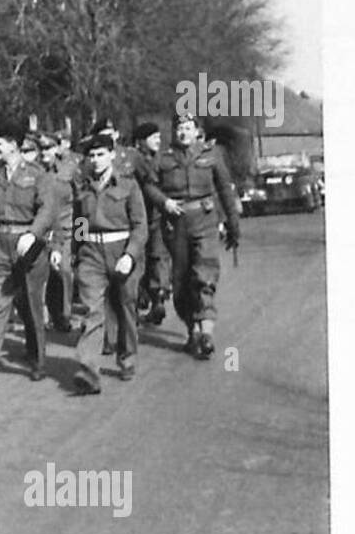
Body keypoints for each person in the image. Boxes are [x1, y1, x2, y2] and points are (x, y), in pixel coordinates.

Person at [143, 111, 241, 359]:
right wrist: (163, 202)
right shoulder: (163, 160)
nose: (183, 132)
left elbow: (225, 190)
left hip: (205, 222)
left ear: (197, 130)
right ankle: (192, 330)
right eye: (179, 128)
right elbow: (149, 185)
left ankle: (206, 331)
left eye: (188, 127)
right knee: (182, 280)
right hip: (176, 226)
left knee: (204, 274)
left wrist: (233, 223)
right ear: (173, 132)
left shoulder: (211, 155)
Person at [0, 120, 58, 391]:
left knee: (32, 305)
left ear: (13, 144)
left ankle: (37, 358)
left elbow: (47, 210)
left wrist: (33, 234)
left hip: (29, 246)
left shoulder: (38, 175)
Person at [70, 134, 148, 394]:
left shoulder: (128, 185)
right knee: (92, 310)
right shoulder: (82, 186)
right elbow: (79, 222)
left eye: (101, 154)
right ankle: (89, 370)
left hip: (121, 250)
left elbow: (140, 226)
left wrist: (130, 254)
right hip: (91, 253)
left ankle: (127, 358)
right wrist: (76, 252)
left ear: (112, 155)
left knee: (126, 306)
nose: (95, 160)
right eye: (91, 156)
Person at [131, 121, 171, 325]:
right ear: (140, 142)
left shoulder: (163, 159)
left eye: (158, 136)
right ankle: (145, 299)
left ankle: (158, 298)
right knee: (140, 259)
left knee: (157, 256)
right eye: (152, 137)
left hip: (155, 215)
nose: (158, 139)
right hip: (134, 218)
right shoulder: (132, 160)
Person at [39, 132, 77, 333]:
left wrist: (81, 237)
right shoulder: (35, 172)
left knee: (64, 272)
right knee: (42, 275)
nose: (45, 152)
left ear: (57, 148)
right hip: (42, 231)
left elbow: (81, 202)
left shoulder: (70, 170)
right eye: (42, 148)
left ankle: (64, 314)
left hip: (66, 230)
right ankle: (44, 316)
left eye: (49, 148)